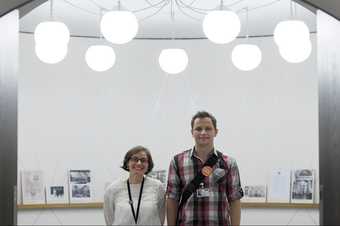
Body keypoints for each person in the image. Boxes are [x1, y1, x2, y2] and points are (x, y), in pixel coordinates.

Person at [166, 111, 244, 226]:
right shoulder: (177, 161)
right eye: (198, 129)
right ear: (192, 132)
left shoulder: (229, 163)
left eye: (208, 128)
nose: (203, 132)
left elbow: (235, 200)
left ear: (215, 132)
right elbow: (172, 199)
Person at [104, 146, 165, 225]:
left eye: (143, 160)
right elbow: (110, 220)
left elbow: (161, 218)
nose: (139, 163)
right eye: (135, 159)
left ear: (148, 165)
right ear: (127, 163)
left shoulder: (157, 187)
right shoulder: (113, 189)